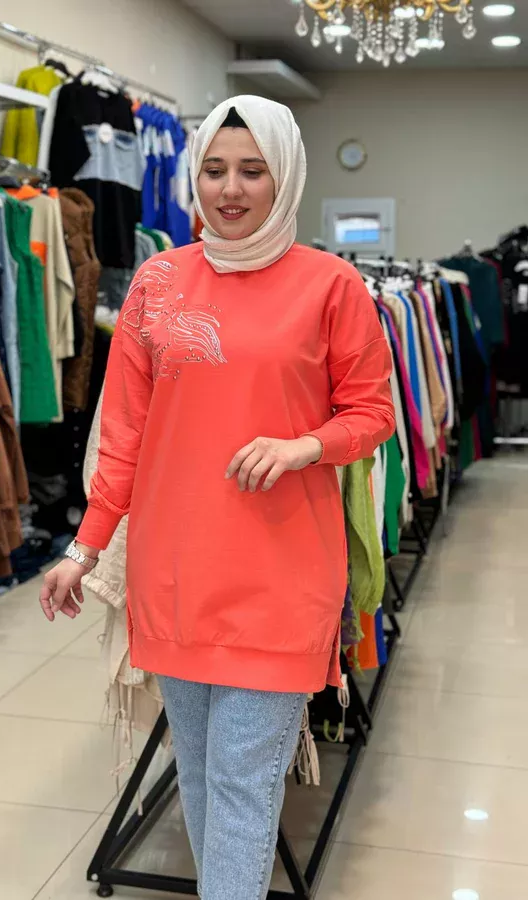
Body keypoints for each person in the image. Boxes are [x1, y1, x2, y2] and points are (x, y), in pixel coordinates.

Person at [39, 95, 395, 900]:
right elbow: (125, 436)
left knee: (241, 788)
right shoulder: (158, 282)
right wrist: (83, 550)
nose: (230, 189)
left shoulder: (332, 286)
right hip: (173, 575)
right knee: (200, 779)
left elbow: (372, 412)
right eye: (214, 169)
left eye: (252, 170)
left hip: (280, 578)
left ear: (285, 175)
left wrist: (305, 445)